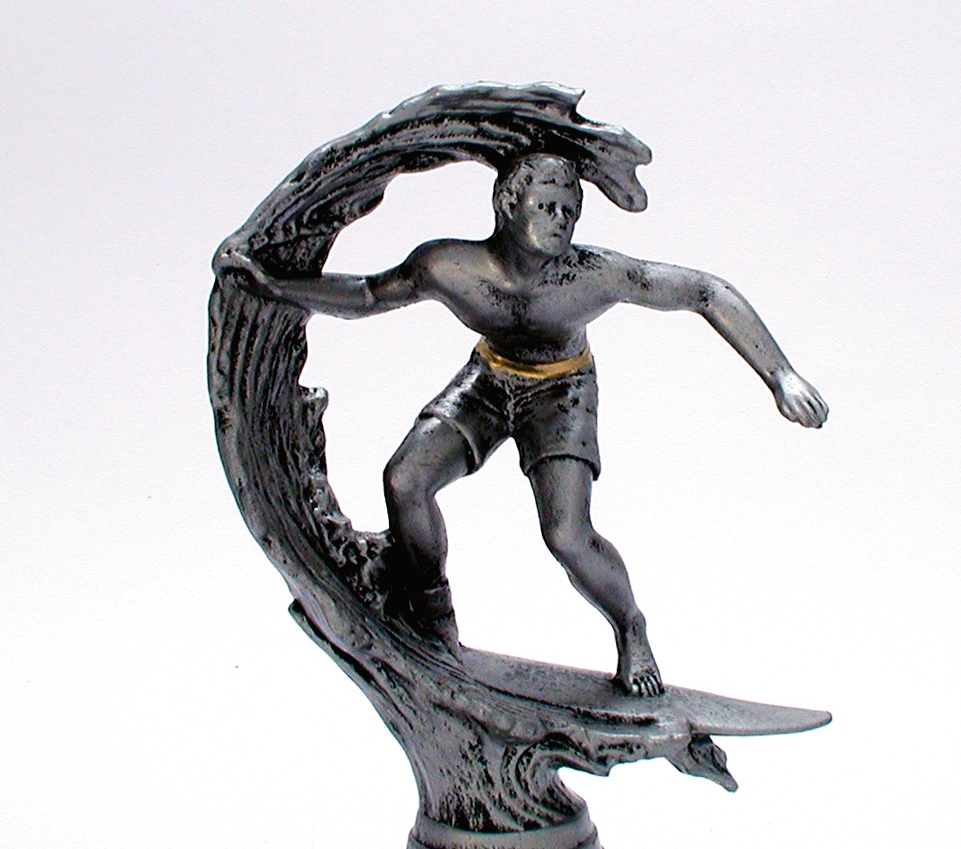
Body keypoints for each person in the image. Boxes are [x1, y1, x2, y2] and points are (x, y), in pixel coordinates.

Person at [219, 152, 827, 696]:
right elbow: (369, 294)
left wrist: (781, 375)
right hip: (489, 379)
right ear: (507, 205)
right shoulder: (449, 265)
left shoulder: (595, 274)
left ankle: (630, 625)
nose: (561, 221)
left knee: (567, 536)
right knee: (405, 480)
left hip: (563, 391)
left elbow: (706, 291)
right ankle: (432, 609)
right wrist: (275, 285)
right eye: (546, 206)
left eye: (570, 210)